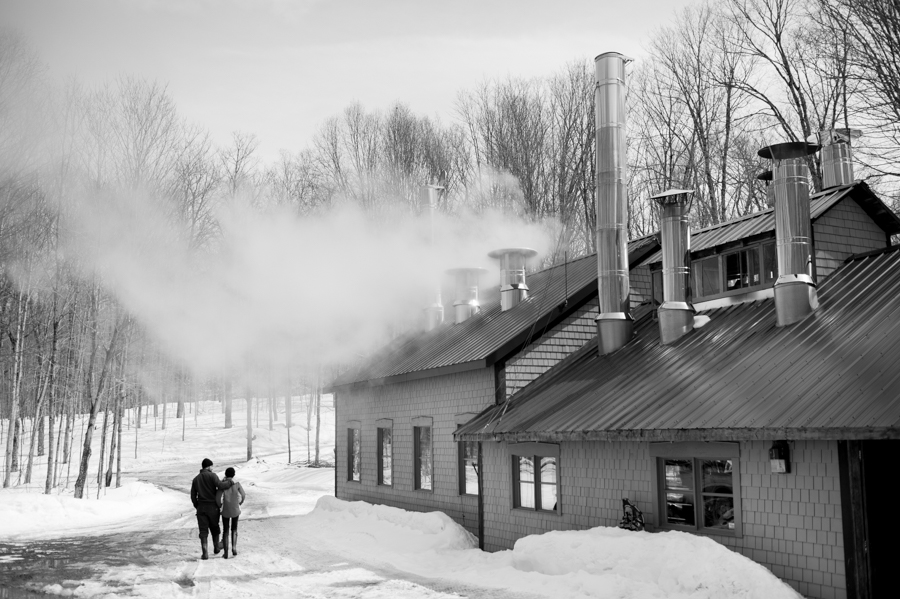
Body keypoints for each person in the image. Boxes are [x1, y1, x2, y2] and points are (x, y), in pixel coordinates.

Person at [190, 458, 233, 560]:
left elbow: (193, 496)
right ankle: (216, 548)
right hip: (213, 507)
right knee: (215, 528)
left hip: (201, 508)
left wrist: (197, 505)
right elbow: (220, 485)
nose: (212, 468)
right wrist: (230, 482)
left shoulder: (196, 479)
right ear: (208, 467)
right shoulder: (212, 476)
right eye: (212, 466)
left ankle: (205, 553)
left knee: (203, 531)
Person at [216, 466, 246, 559]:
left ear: (225, 474)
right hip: (235, 509)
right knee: (234, 528)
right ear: (233, 475)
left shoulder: (222, 484)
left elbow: (218, 498)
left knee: (226, 530)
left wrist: (220, 505)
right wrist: (239, 503)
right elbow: (243, 494)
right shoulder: (237, 483)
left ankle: (226, 552)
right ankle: (234, 548)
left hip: (225, 510)